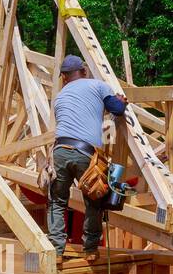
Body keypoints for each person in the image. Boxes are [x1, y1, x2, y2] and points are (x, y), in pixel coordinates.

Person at [47, 54, 128, 259]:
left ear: (64, 77)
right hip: (85, 152)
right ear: (83, 71)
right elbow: (117, 109)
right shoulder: (97, 86)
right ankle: (90, 249)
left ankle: (56, 251)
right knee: (94, 199)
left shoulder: (60, 97)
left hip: (60, 151)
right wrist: (120, 100)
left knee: (57, 202)